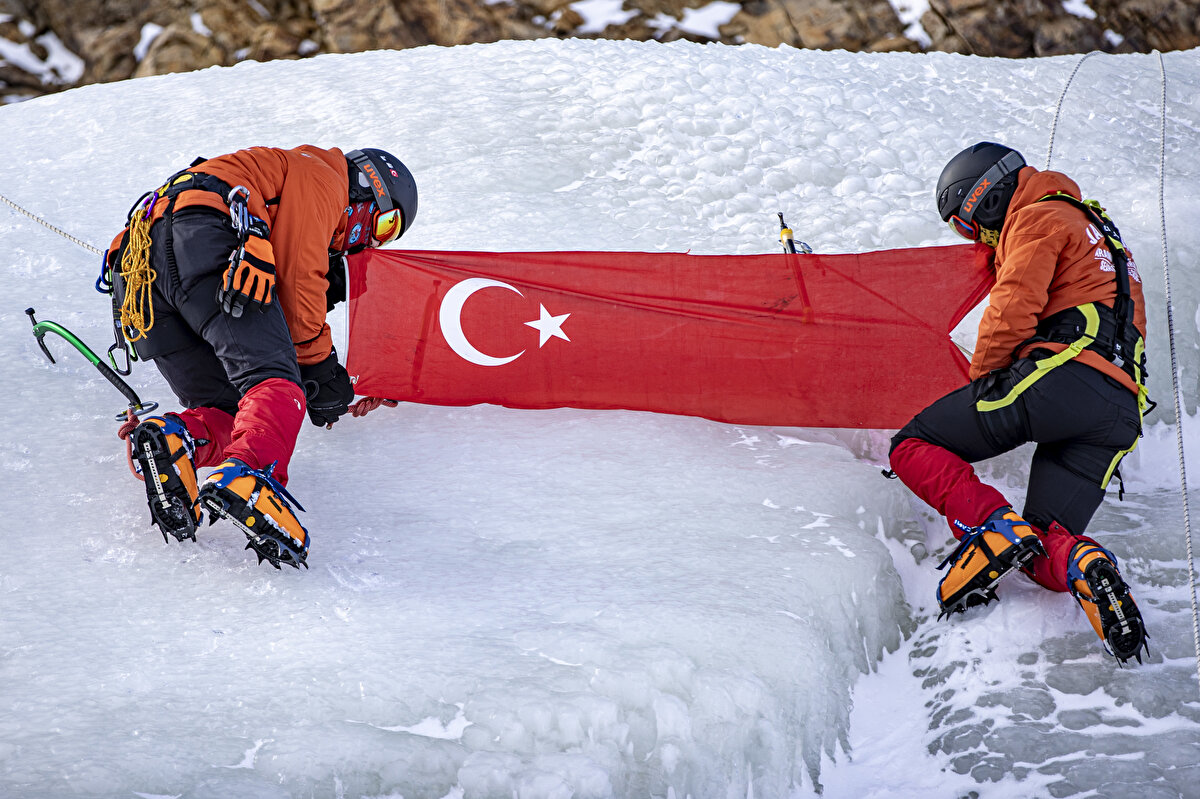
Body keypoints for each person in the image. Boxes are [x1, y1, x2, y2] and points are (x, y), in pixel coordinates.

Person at [887, 142, 1150, 664]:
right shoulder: (1096, 227)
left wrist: (983, 383)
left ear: (986, 197)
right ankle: (1084, 564)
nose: (977, 239)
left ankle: (991, 529)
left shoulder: (1038, 218)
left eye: (968, 224)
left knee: (913, 445)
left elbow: (1013, 307)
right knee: (1044, 546)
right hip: (1119, 410)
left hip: (1064, 376)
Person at [103, 145, 417, 569]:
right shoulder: (324, 175)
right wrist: (320, 371)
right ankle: (252, 479)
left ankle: (176, 439)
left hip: (138, 272)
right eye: (384, 224)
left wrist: (342, 376)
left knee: (229, 409)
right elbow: (299, 276)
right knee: (272, 380)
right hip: (206, 236)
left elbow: (287, 300)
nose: (368, 242)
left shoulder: (284, 180)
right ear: (367, 188)